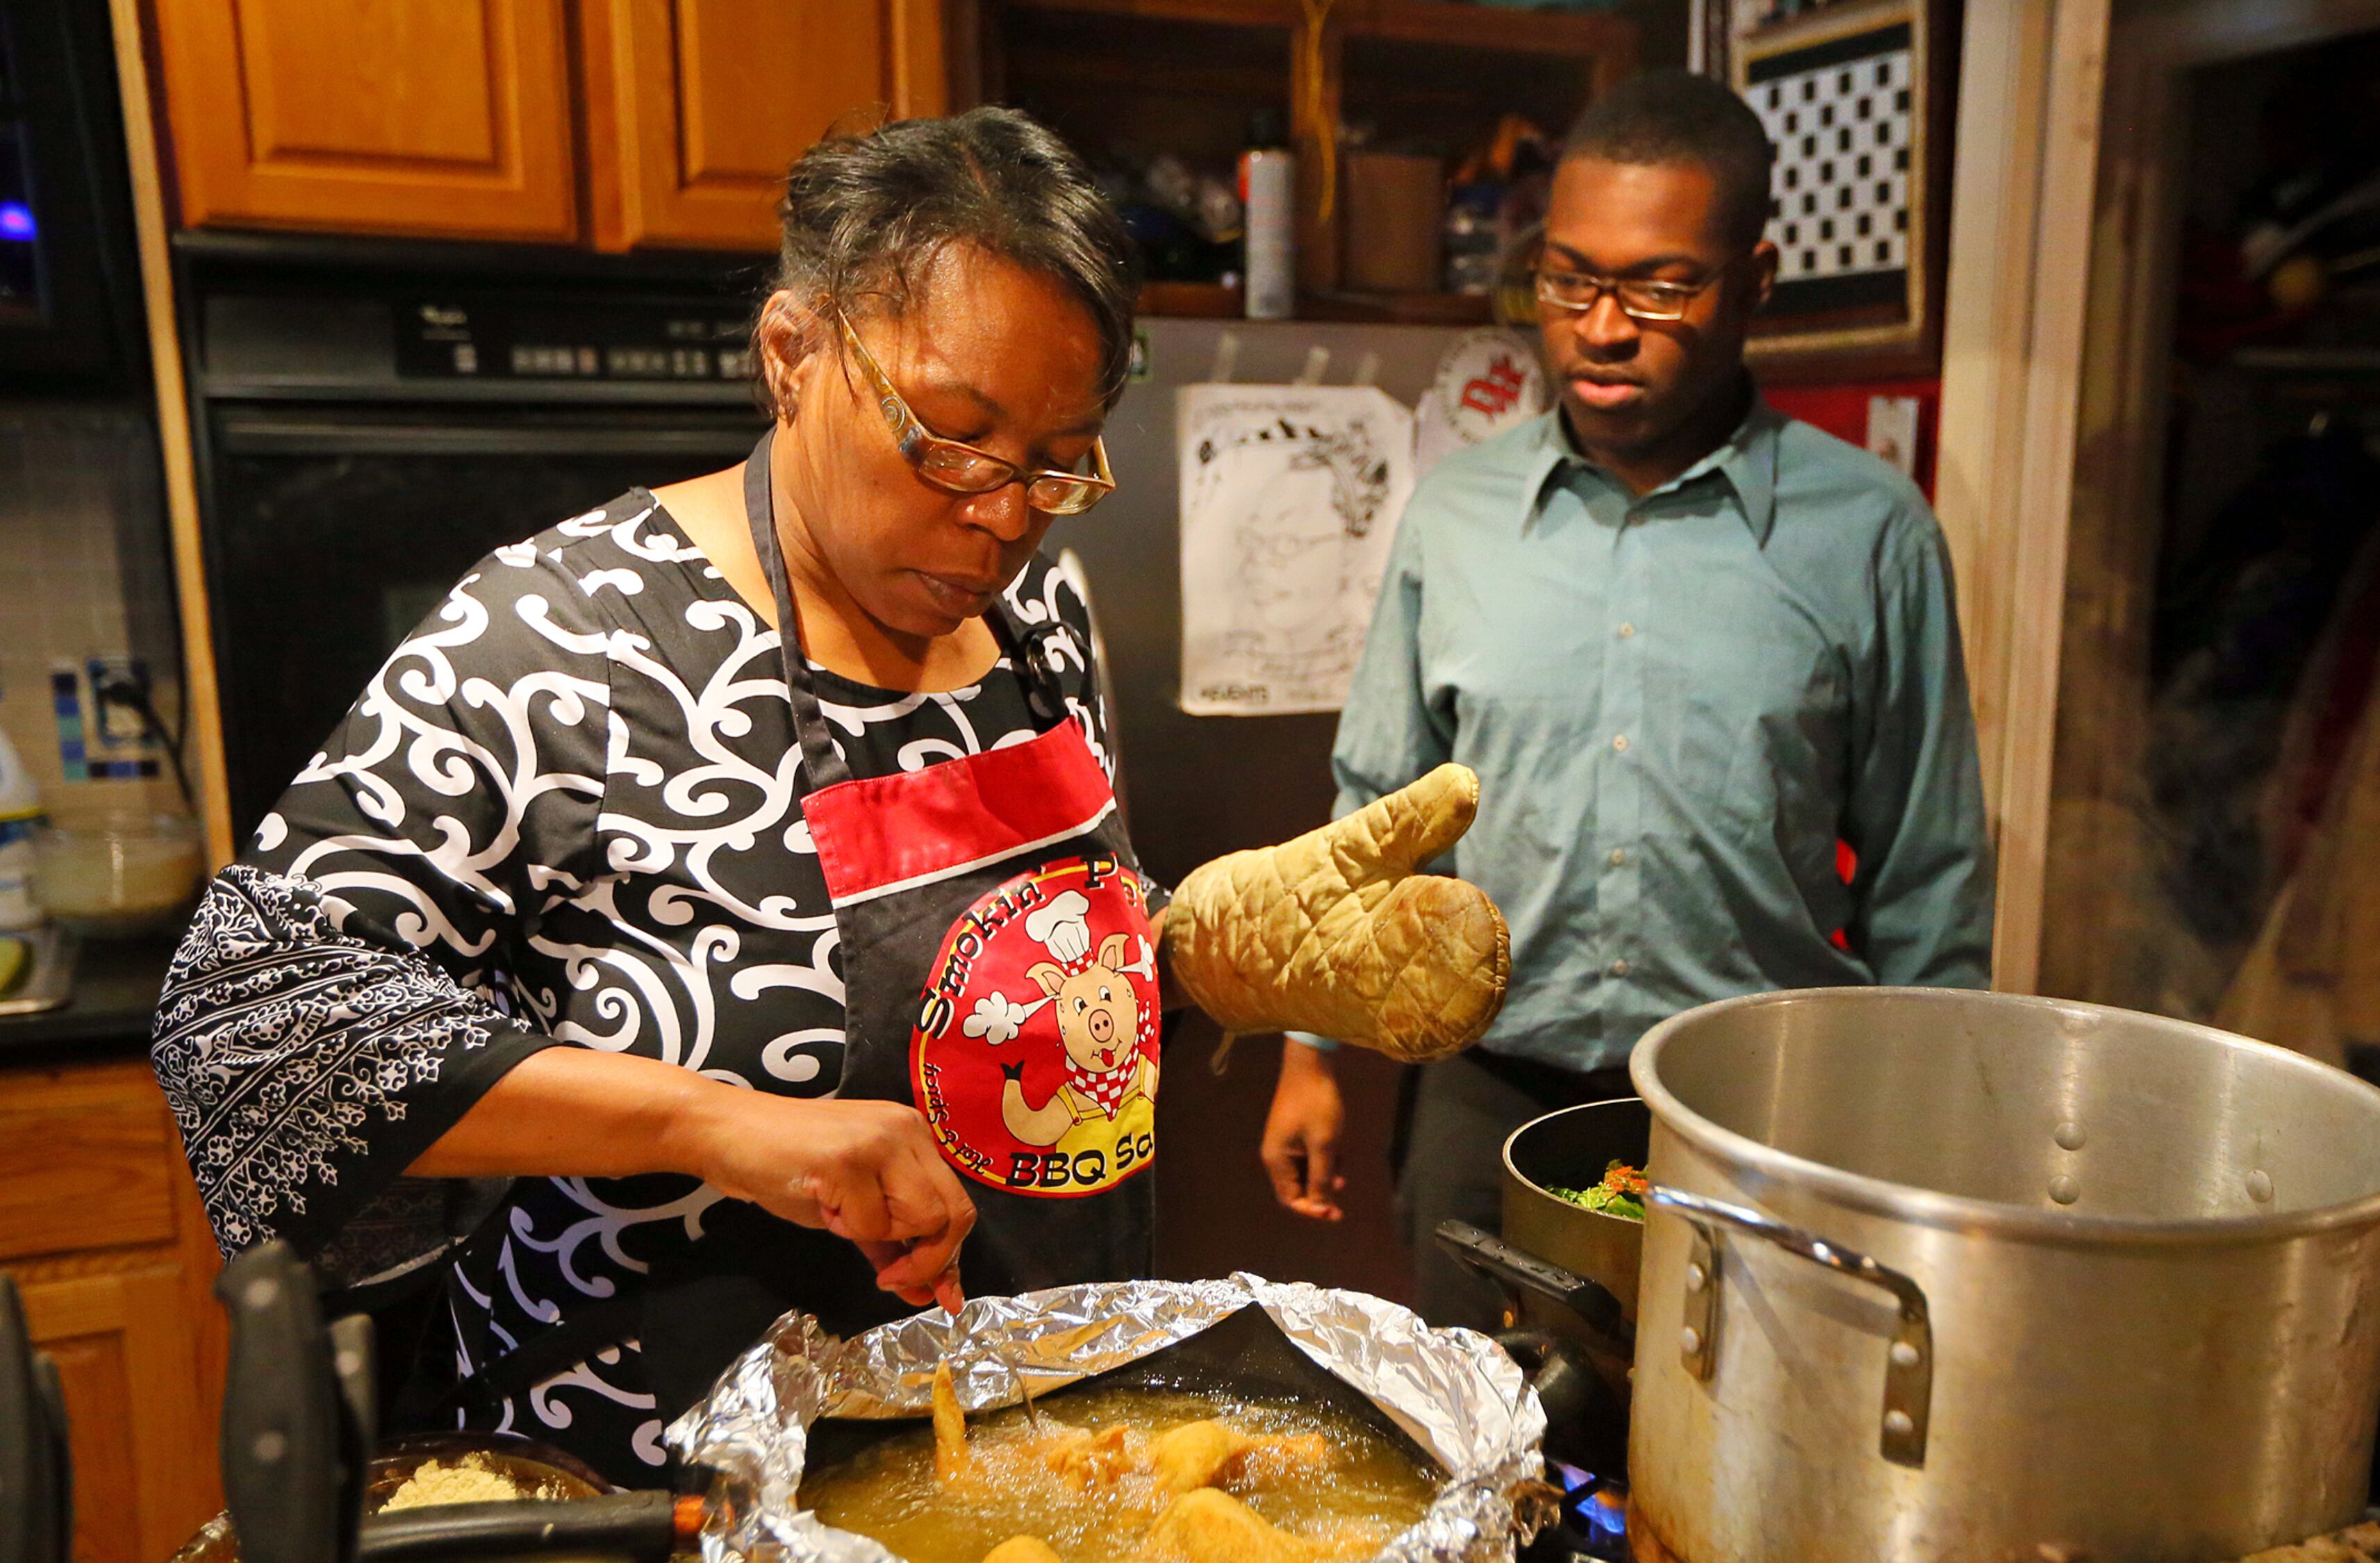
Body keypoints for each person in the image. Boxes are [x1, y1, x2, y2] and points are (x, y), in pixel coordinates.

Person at [154, 111, 1161, 1478]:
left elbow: (1025, 937)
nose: (1001, 512)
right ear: (793, 353)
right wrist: (722, 1124)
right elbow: (250, 1033)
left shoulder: (1039, 606)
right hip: (671, 1488)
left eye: (1057, 459)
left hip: (1030, 1428)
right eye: (951, 437)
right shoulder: (561, 640)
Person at [1258, 72, 1995, 1328]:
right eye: (1568, 279)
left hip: (1759, 1121)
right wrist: (1310, 1053)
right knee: (1479, 1455)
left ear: (1754, 283)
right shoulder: (1459, 516)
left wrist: (1922, 1127)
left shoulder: (1871, 535)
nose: (1601, 327)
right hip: (1479, 1101)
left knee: (1739, 1480)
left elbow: (1928, 876)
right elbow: (1378, 806)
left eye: (1660, 286)